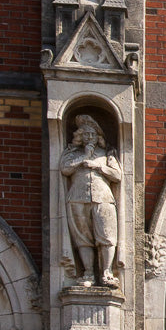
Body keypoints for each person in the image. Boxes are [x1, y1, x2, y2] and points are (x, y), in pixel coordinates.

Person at [61, 113, 122, 287]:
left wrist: (99, 166)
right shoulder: (72, 154)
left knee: (107, 235)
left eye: (92, 135)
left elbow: (117, 175)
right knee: (83, 238)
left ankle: (106, 272)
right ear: (80, 136)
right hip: (78, 198)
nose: (89, 138)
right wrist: (84, 157)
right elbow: (65, 169)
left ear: (98, 137)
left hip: (103, 198)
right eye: (85, 134)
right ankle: (88, 273)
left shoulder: (107, 154)